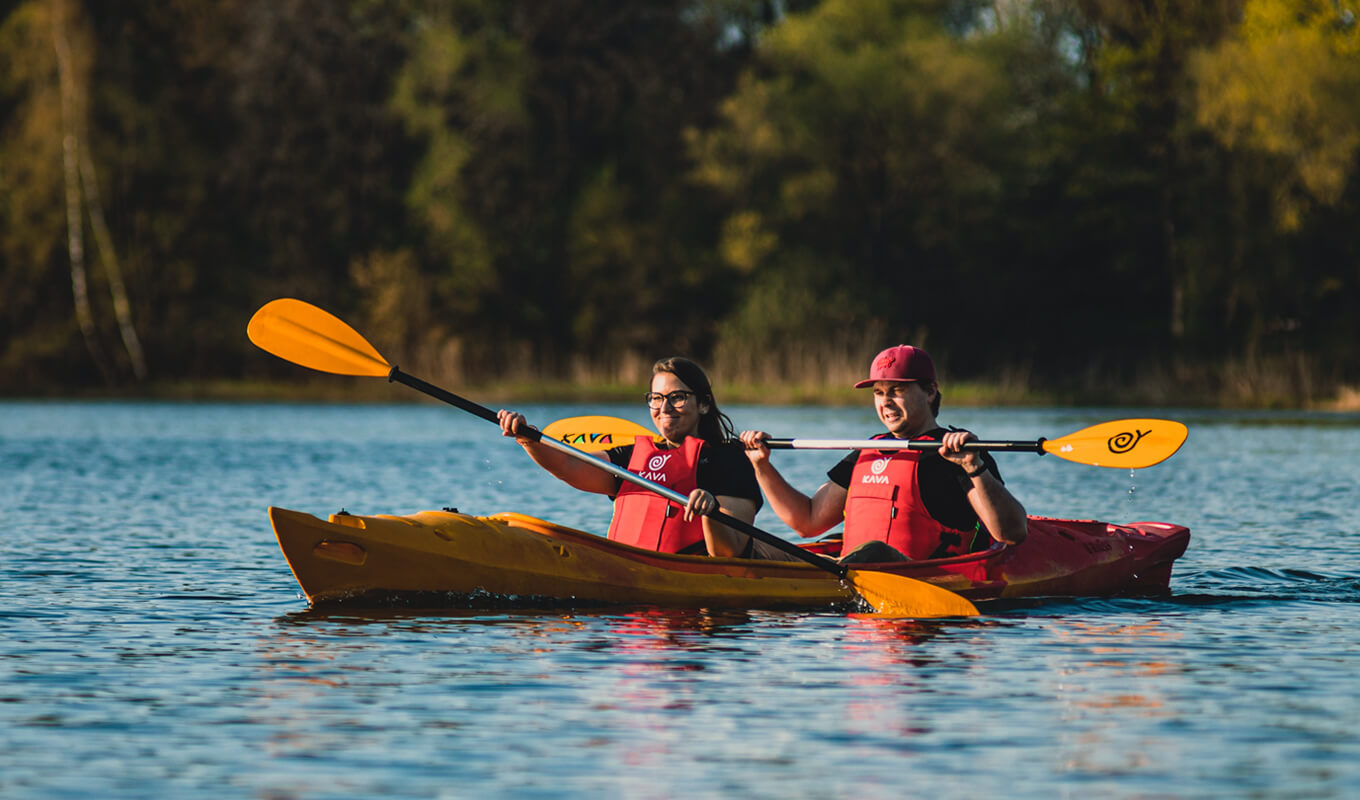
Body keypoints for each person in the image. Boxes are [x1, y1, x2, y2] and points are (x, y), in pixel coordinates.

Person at [739, 345, 1028, 563]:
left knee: (873, 551)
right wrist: (761, 466)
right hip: (849, 574)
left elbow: (1011, 533)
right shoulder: (867, 450)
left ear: (929, 392)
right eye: (879, 392)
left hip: (914, 578)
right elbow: (807, 520)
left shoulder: (958, 452)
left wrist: (973, 465)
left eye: (896, 390)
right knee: (750, 546)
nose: (885, 402)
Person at [498, 357, 796, 560]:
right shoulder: (630, 456)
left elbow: (728, 553)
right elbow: (567, 465)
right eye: (656, 398)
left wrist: (711, 511)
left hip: (693, 595)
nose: (664, 407)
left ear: (704, 404)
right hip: (625, 575)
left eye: (677, 397)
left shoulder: (727, 460)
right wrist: (527, 436)